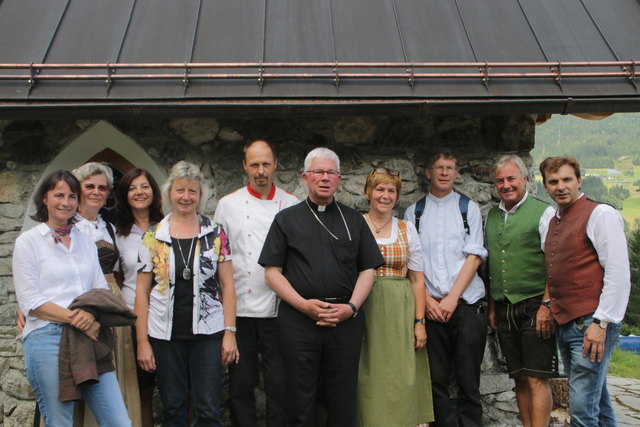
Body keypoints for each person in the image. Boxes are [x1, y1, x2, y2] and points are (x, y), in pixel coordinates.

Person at [258, 147, 383, 427]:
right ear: (305, 177)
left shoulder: (355, 221)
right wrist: (304, 306)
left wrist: (350, 308)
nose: (325, 178)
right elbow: (272, 274)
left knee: (342, 396)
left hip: (344, 320)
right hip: (299, 321)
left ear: (339, 178)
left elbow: (368, 270)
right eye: (318, 172)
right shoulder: (286, 220)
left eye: (331, 172)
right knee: (300, 397)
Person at [12, 170, 132, 426]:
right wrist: (76, 318)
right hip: (47, 337)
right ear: (44, 198)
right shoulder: (28, 242)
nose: (65, 202)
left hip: (88, 338)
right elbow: (30, 301)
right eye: (58, 195)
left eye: (71, 196)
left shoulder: (85, 241)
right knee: (59, 422)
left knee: (118, 421)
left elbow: (99, 288)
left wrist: (89, 314)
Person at [135, 161, 239, 426]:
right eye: (180, 190)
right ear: (170, 193)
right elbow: (141, 293)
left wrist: (229, 332)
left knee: (208, 410)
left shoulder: (215, 233)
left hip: (207, 334)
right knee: (173, 409)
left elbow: (227, 286)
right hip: (164, 335)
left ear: (200, 196)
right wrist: (143, 342)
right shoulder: (152, 236)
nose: (186, 197)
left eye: (192, 191)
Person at [540, 156, 630, 427]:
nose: (561, 186)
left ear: (579, 180)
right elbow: (556, 269)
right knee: (597, 403)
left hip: (591, 323)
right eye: (553, 182)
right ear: (545, 186)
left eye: (567, 179)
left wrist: (601, 323)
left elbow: (618, 273)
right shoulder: (551, 219)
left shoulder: (600, 214)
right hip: (567, 323)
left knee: (581, 410)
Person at [213, 140, 298, 427]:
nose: (260, 171)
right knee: (240, 384)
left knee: (279, 384)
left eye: (265, 164)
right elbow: (219, 258)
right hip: (239, 308)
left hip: (279, 309)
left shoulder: (291, 203)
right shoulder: (228, 205)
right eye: (254, 165)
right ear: (244, 166)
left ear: (276, 164)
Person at [404, 151, 488, 427]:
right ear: (428, 172)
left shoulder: (469, 209)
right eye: (439, 167)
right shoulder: (414, 212)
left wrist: (452, 298)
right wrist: (426, 300)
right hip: (429, 306)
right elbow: (410, 262)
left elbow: (474, 256)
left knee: (467, 378)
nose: (444, 172)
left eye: (450, 168)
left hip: (464, 305)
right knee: (435, 379)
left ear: (456, 173)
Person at [356, 167, 434, 426]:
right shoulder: (356, 225)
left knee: (402, 373)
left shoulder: (406, 228)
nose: (385, 195)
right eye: (380, 189)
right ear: (369, 192)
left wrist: (419, 322)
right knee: (367, 372)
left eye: (391, 191)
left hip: (401, 309)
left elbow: (417, 279)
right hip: (365, 307)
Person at [485, 155, 557, 427]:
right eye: (500, 180)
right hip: (504, 308)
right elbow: (491, 261)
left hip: (535, 304)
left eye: (511, 178)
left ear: (524, 179)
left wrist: (547, 306)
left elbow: (553, 261)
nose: (506, 185)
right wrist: (493, 307)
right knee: (519, 377)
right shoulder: (492, 214)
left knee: (537, 376)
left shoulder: (544, 212)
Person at [72, 162, 142, 427]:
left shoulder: (108, 227)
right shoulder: (68, 224)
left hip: (110, 298)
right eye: (89, 186)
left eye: (102, 188)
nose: (96, 192)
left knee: (114, 369)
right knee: (83, 369)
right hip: (79, 300)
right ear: (77, 189)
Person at [114, 168, 164, 427]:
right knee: (143, 390)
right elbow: (116, 277)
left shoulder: (169, 226)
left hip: (169, 316)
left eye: (144, 186)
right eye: (132, 188)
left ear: (154, 192)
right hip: (135, 318)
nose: (139, 192)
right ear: (125, 194)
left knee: (180, 388)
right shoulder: (118, 234)